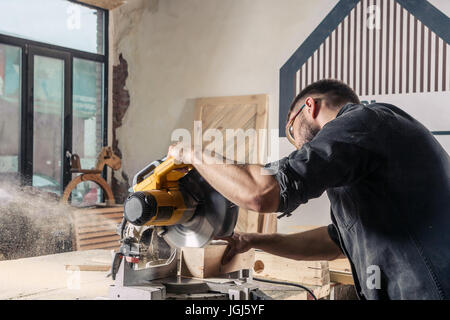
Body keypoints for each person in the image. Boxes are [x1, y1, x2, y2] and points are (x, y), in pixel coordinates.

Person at [168, 79, 450, 300]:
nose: (296, 146)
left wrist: (190, 154)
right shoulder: (367, 144)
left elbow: (261, 192)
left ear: (310, 107)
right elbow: (335, 242)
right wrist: (254, 240)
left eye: (291, 130)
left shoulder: (360, 123)